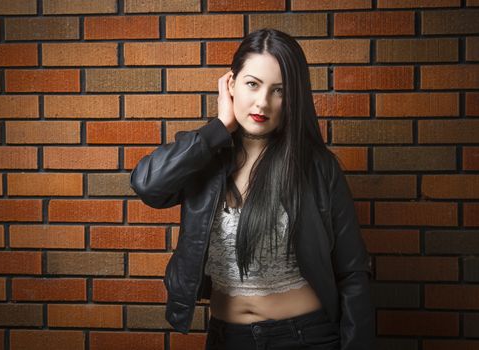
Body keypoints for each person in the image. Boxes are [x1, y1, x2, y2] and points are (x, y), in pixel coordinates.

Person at [130, 28, 375, 350]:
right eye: (252, 84)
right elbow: (149, 185)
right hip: (226, 338)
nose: (262, 102)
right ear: (230, 84)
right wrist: (219, 127)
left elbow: (352, 271)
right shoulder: (203, 156)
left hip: (306, 337)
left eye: (279, 91)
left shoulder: (317, 167)